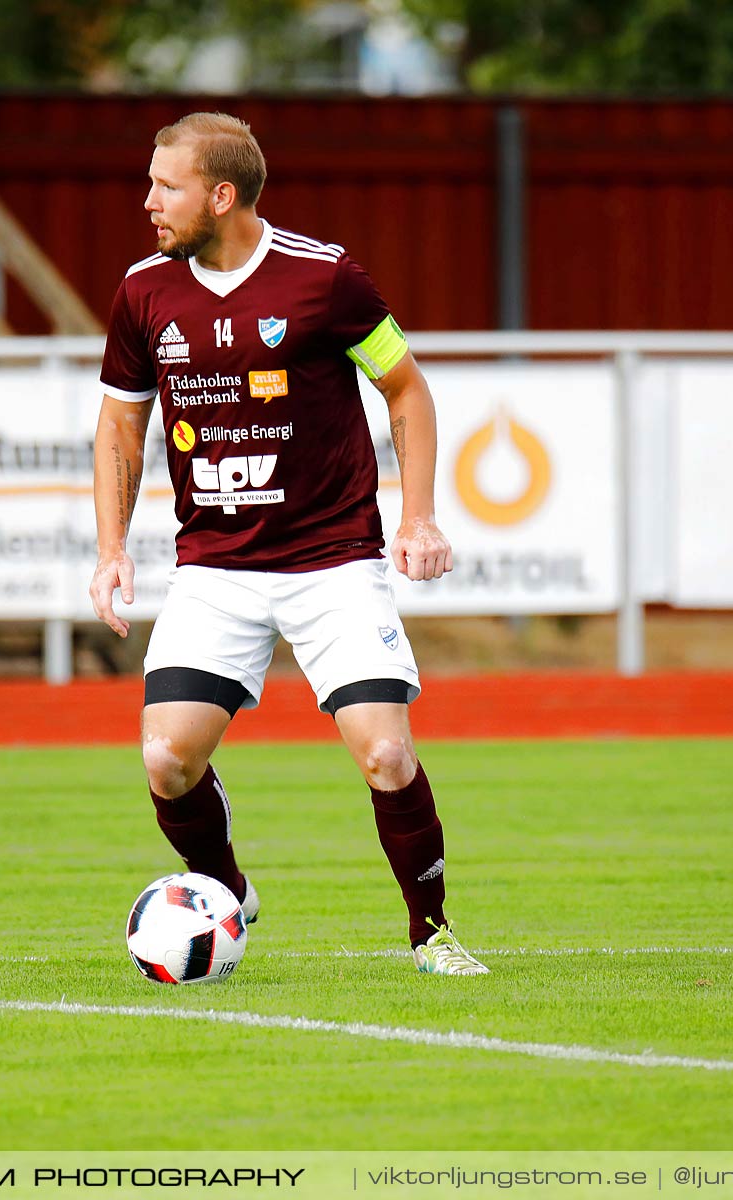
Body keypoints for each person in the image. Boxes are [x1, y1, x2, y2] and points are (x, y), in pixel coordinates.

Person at [90, 112, 487, 976]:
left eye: (168, 185)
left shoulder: (326, 278)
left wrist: (418, 517)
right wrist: (111, 546)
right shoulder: (143, 291)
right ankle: (225, 888)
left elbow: (407, 392)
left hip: (333, 562)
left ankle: (434, 936)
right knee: (167, 759)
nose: (149, 201)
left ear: (221, 195)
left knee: (385, 752)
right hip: (215, 570)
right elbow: (121, 426)